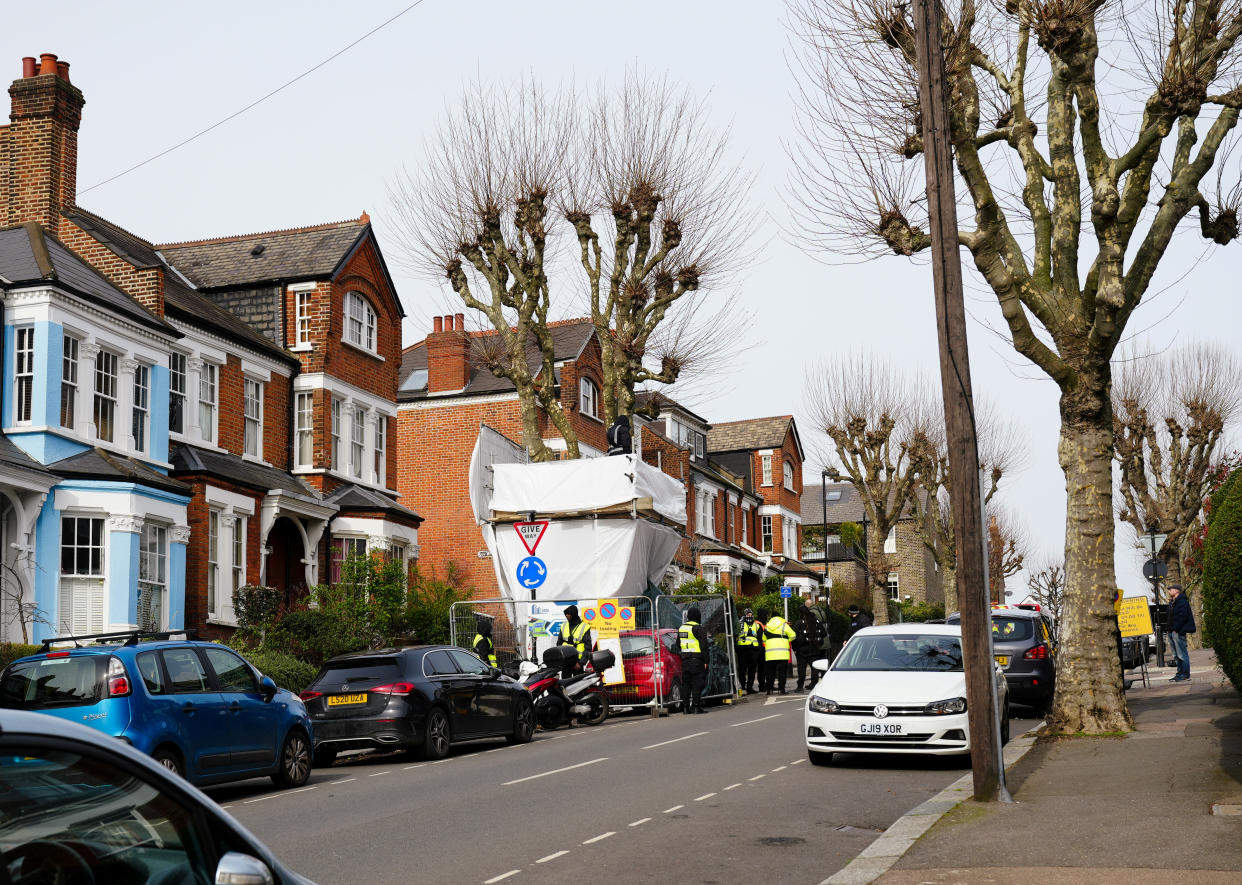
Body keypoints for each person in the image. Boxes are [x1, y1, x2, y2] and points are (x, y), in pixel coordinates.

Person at [679, 605, 709, 714]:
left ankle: (686, 708)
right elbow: (704, 646)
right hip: (697, 660)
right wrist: (706, 661)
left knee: (686, 684)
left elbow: (678, 644)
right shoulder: (698, 628)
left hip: (685, 660)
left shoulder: (682, 628)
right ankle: (696, 707)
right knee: (697, 683)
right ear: (698, 616)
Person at [794, 602, 827, 691]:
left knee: (802, 668)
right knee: (814, 667)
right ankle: (814, 684)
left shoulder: (799, 623)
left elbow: (794, 637)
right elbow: (824, 633)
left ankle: (800, 686)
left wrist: (795, 648)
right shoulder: (815, 621)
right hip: (815, 647)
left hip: (802, 649)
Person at [1167, 585, 1196, 682]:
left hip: (1178, 632)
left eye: (1170, 590)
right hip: (1171, 632)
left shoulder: (1182, 601)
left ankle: (1185, 674)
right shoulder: (1172, 602)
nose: (1169, 592)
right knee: (1175, 655)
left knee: (1182, 654)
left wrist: (1176, 629)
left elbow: (1182, 617)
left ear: (1176, 591)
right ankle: (1179, 674)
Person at [763, 611, 796, 695]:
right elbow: (793, 635)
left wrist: (769, 644)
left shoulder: (767, 626)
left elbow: (763, 639)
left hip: (770, 653)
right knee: (782, 672)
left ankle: (769, 690)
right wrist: (786, 640)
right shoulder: (784, 624)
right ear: (779, 617)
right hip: (782, 653)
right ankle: (782, 690)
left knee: (770, 672)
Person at [556, 605, 592, 677]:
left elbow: (588, 648)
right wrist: (560, 660)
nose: (566, 616)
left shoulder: (584, 627)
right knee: (565, 684)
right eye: (565, 614)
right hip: (566, 662)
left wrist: (581, 663)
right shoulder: (563, 626)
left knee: (578, 685)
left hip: (577, 662)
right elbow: (559, 643)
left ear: (573, 614)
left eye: (568, 614)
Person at [736, 608, 762, 694]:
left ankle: (750, 687)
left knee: (752, 670)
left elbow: (759, 638)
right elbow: (736, 635)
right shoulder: (740, 624)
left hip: (753, 650)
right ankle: (743, 686)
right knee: (742, 669)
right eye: (748, 615)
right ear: (744, 615)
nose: (749, 616)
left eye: (751, 614)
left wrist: (758, 648)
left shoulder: (756, 625)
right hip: (743, 649)